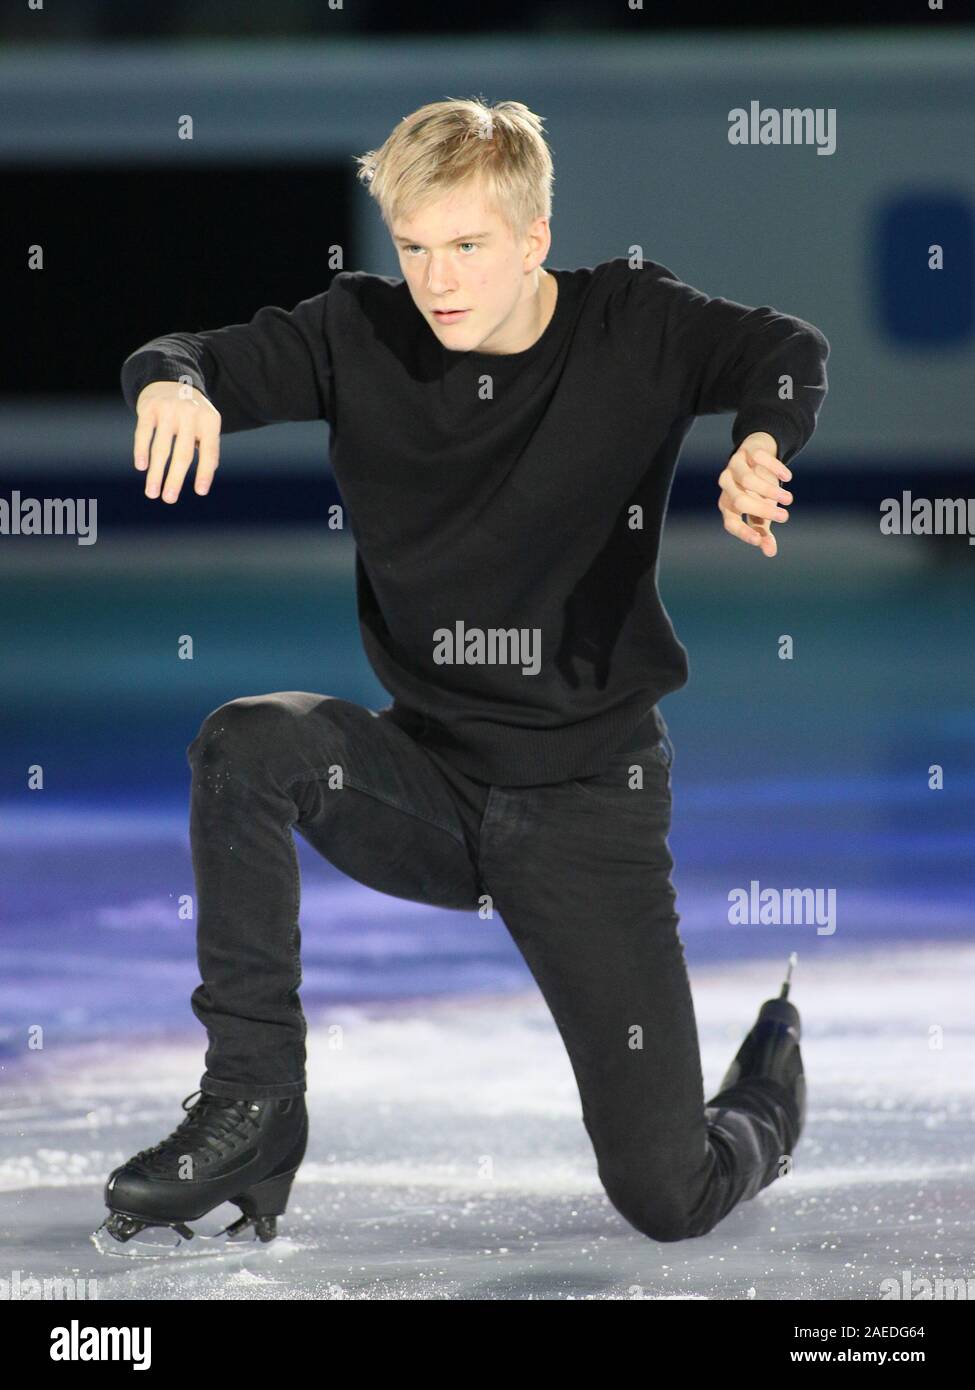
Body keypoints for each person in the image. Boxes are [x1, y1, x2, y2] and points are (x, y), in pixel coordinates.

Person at [97, 97, 828, 1252]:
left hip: (587, 799)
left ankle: (769, 1094)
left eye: (468, 245)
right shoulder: (360, 334)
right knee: (249, 741)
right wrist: (169, 388)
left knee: (666, 1195)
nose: (436, 280)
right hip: (427, 784)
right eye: (416, 245)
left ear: (534, 237)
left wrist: (758, 443)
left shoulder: (631, 324)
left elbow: (785, 351)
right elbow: (187, 355)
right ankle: (253, 1106)